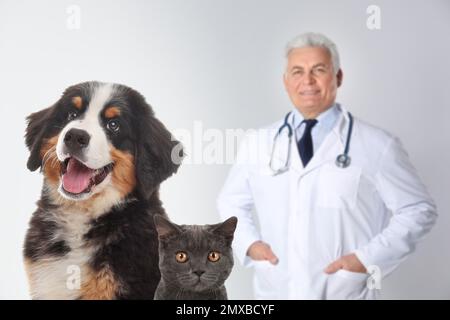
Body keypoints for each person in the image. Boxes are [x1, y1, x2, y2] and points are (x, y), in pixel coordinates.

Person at [217, 32, 437, 299]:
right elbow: (231, 202)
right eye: (297, 71)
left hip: (344, 291)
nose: (307, 81)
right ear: (285, 81)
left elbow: (417, 210)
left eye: (318, 70)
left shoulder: (378, 144)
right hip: (275, 290)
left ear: (338, 77)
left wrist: (365, 259)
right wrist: (250, 245)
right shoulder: (259, 142)